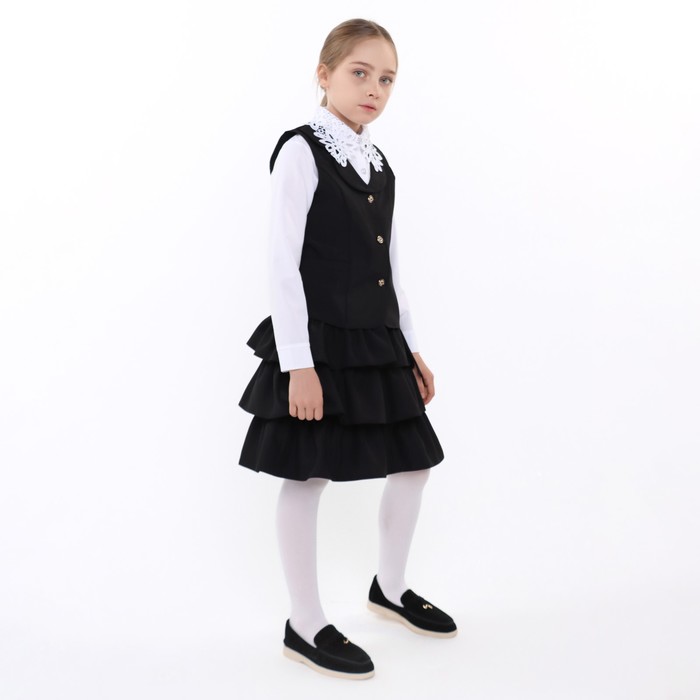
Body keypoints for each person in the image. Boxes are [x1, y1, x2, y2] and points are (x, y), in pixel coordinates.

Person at [238, 18, 456, 680]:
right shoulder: (301, 151)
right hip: (320, 341)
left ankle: (389, 588)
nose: (374, 89)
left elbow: (389, 266)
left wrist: (409, 347)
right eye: (360, 73)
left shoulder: (379, 164)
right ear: (324, 74)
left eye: (386, 79)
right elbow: (281, 265)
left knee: (414, 463)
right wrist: (298, 364)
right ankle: (304, 623)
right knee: (307, 476)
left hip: (377, 338)